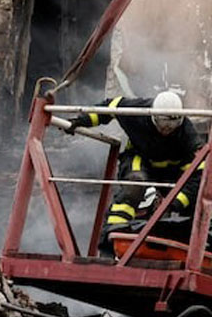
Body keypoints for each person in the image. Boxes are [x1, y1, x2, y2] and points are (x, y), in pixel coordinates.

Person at [67, 90, 204, 256]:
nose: (166, 130)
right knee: (135, 186)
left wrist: (174, 202)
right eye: (162, 125)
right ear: (153, 116)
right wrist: (82, 120)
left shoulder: (187, 133)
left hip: (172, 172)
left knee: (192, 203)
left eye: (171, 127)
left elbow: (200, 171)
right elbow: (110, 107)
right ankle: (109, 244)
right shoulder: (138, 111)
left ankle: (185, 251)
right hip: (140, 159)